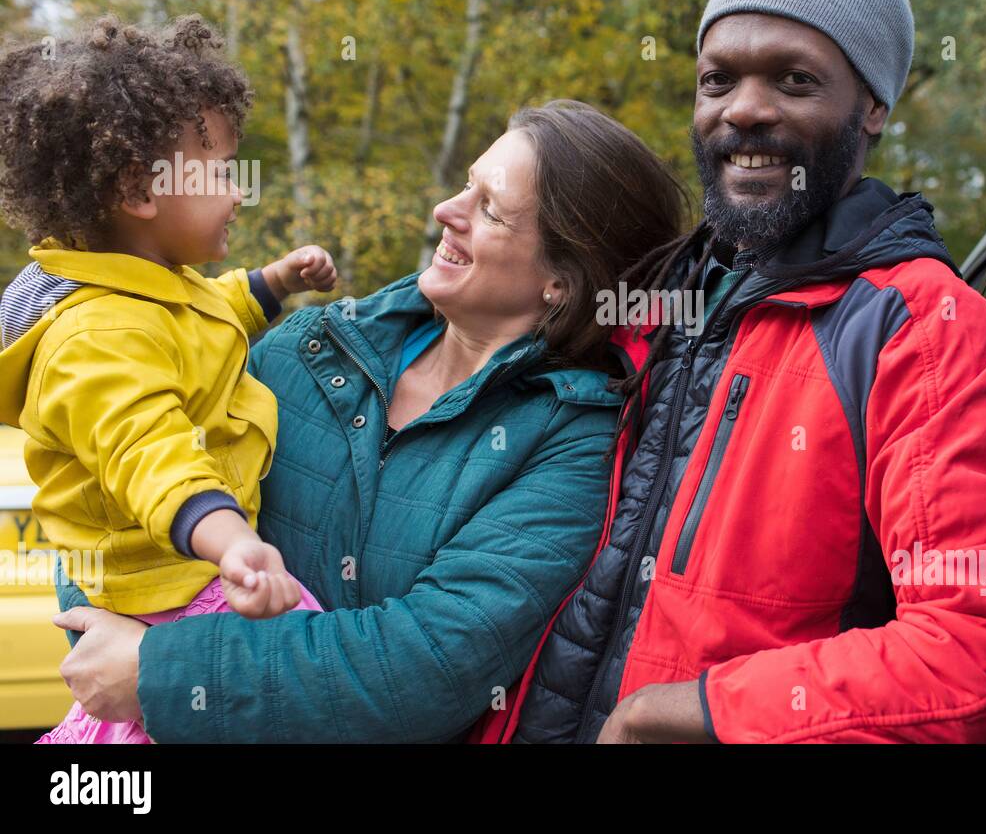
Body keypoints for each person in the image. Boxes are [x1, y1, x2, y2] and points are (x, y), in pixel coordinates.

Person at [496, 0, 986, 744]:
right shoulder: (655, 301)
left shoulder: (915, 325)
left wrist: (694, 712)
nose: (746, 109)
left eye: (795, 80)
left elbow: (985, 651)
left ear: (873, 105)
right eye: (717, 78)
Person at [41, 87, 689, 741]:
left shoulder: (568, 442)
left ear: (562, 279)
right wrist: (100, 629)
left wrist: (157, 675)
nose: (445, 210)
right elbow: (122, 480)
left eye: (488, 209)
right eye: (465, 186)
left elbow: (425, 669)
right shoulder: (310, 347)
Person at [0, 15, 334, 743]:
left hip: (178, 561)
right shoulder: (98, 335)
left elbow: (207, 317)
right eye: (220, 173)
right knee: (285, 676)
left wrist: (273, 285)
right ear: (137, 190)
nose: (238, 192)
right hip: (164, 574)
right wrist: (227, 541)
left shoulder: (154, 288)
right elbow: (146, 449)